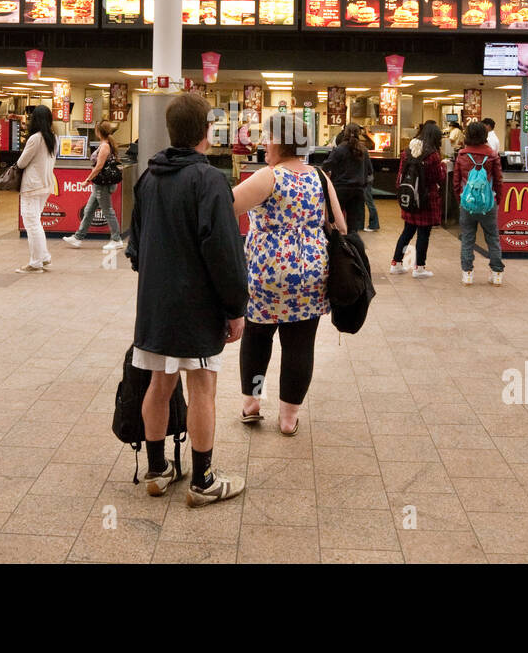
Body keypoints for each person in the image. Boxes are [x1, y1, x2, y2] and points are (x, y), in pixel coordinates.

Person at [127, 92, 248, 507]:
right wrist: (235, 308)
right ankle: (204, 480)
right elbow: (224, 252)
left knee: (159, 384)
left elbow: (136, 248)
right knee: (202, 388)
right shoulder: (210, 181)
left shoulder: (148, 177)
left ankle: (158, 469)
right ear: (204, 132)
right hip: (197, 306)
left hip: (156, 306)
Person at [232, 113, 343, 437]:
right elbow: (342, 226)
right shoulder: (320, 176)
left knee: (257, 338)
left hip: (267, 274)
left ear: (281, 141)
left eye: (268, 137)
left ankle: (252, 404)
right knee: (300, 345)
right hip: (311, 274)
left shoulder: (270, 177)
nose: (264, 142)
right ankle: (288, 419)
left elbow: (226, 205)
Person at [390, 120, 446, 279]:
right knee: (423, 234)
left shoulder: (407, 151)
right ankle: (419, 267)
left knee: (407, 232)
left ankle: (396, 263)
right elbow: (438, 177)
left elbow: (400, 176)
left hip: (410, 197)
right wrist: (443, 166)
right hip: (426, 200)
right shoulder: (433, 155)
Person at [453, 121, 504, 287]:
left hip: (467, 203)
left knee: (467, 238)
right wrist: (497, 200)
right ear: (484, 135)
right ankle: (496, 274)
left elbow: (455, 182)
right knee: (492, 238)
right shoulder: (492, 155)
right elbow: (498, 180)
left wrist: (459, 199)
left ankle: (467, 274)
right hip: (488, 203)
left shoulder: (462, 155)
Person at [62, 120, 124, 251]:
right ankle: (78, 238)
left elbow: (99, 166)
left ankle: (116, 239)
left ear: (98, 131)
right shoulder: (106, 144)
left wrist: (87, 180)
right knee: (89, 210)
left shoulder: (105, 146)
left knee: (108, 211)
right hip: (99, 185)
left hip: (102, 185)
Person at [15, 105, 57, 273]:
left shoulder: (35, 138)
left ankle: (35, 263)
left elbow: (21, 162)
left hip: (32, 186)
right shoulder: (54, 138)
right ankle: (44, 258)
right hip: (46, 184)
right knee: (36, 221)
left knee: (32, 223)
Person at [324, 122, 368, 233]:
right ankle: (354, 246)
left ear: (345, 133)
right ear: (359, 133)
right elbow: (369, 171)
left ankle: (339, 246)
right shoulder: (363, 150)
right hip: (358, 190)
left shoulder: (340, 149)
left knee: (336, 222)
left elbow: (327, 165)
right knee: (353, 226)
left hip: (341, 189)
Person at [361, 130, 380, 232]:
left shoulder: (361, 149)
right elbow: (370, 168)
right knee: (368, 202)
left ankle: (374, 224)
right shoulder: (364, 149)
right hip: (368, 178)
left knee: (369, 202)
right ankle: (372, 224)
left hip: (365, 180)